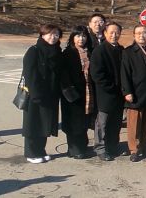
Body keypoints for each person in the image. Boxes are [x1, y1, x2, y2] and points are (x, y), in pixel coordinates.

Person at [22, 24, 63, 164]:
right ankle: (31, 152)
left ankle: (41, 150)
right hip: (35, 95)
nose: (53, 37)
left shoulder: (57, 52)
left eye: (56, 34)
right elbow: (29, 74)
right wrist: (35, 93)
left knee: (45, 124)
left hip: (50, 95)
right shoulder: (34, 51)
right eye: (50, 34)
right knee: (32, 124)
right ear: (42, 35)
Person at [121, 25, 146, 162]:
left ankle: (143, 145)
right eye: (138, 33)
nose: (141, 35)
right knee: (134, 124)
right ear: (134, 35)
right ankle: (134, 149)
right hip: (135, 93)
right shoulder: (129, 51)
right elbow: (124, 74)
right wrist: (127, 92)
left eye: (144, 33)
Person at [90, 21, 125, 161]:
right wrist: (111, 87)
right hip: (105, 93)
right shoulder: (99, 50)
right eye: (111, 32)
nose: (114, 35)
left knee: (116, 122)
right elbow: (97, 74)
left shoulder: (122, 50)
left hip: (119, 94)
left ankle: (113, 146)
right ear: (105, 33)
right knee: (102, 123)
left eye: (117, 32)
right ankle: (100, 148)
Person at [60, 26, 93, 159]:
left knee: (84, 120)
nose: (81, 39)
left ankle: (82, 146)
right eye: (78, 36)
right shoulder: (67, 53)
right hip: (72, 93)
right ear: (73, 37)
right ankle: (74, 149)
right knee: (73, 121)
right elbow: (63, 74)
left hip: (88, 91)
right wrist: (70, 91)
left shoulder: (90, 52)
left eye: (84, 36)